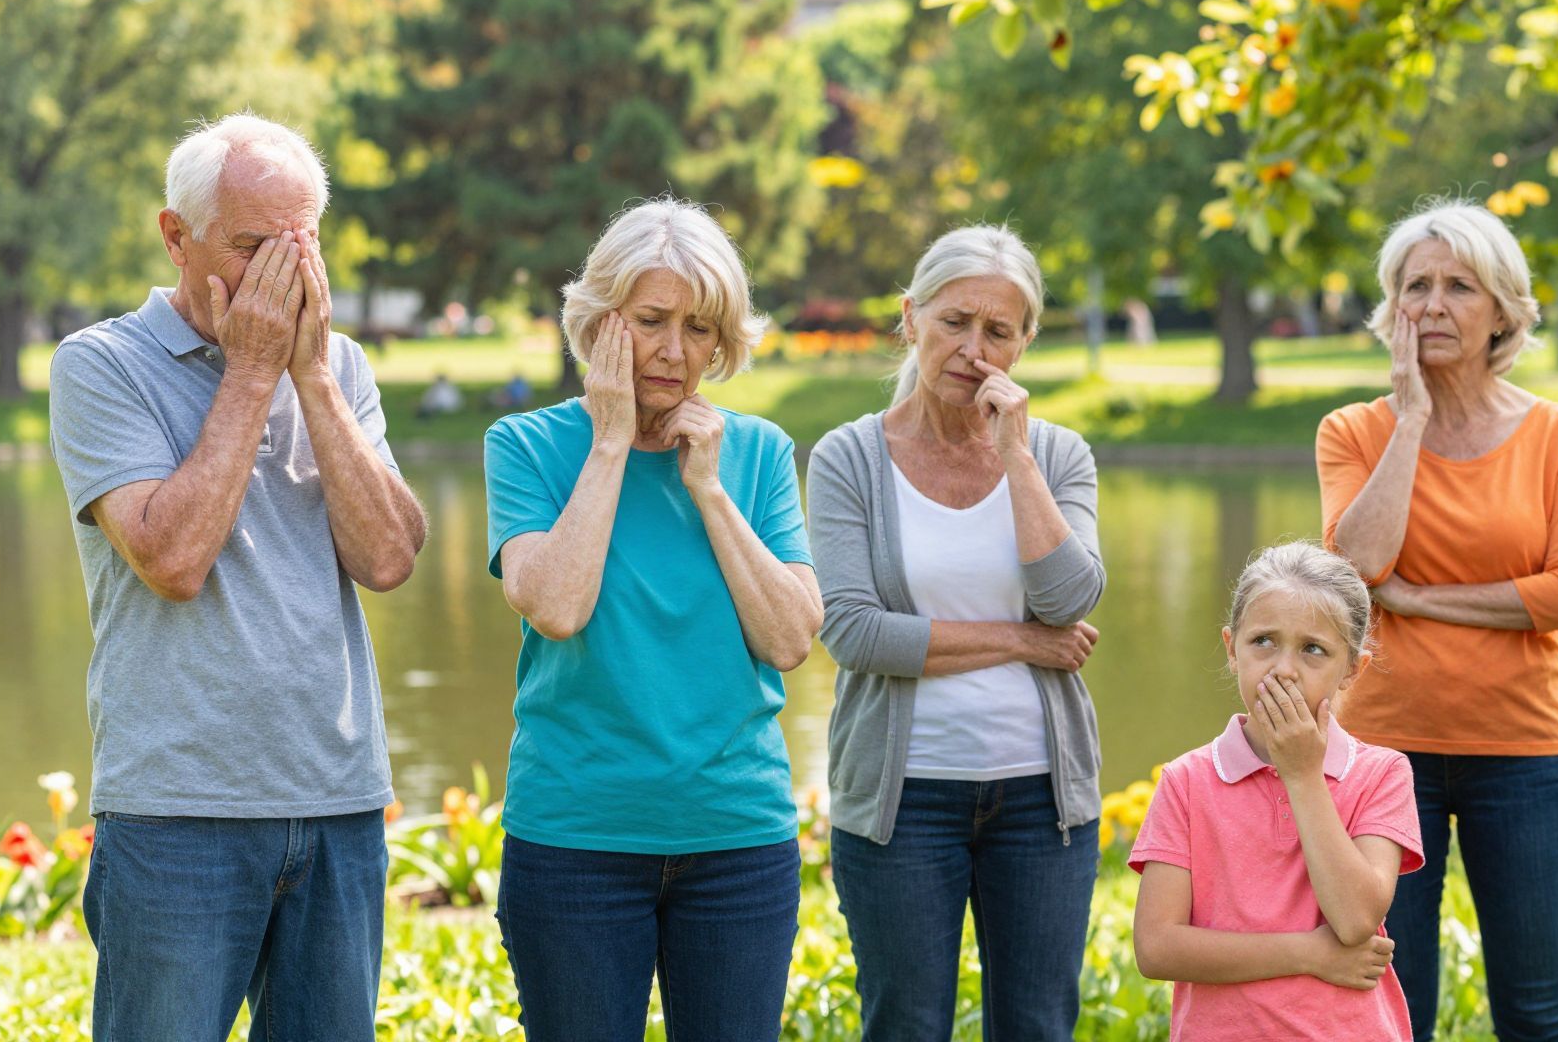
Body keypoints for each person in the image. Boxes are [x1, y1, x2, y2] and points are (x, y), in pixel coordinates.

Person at [47, 113, 427, 1041]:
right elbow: (172, 562)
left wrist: (314, 380)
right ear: (177, 237)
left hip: (337, 804)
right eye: (255, 249)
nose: (283, 279)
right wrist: (255, 369)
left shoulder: (339, 367)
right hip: (178, 815)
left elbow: (388, 558)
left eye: (302, 249)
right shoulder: (101, 366)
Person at [485, 196, 822, 1042]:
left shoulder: (757, 453)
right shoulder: (526, 446)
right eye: (651, 320)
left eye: (701, 327)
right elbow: (557, 607)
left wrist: (708, 488)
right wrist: (610, 440)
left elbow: (790, 638)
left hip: (737, 842)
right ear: (601, 324)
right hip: (575, 843)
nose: (676, 351)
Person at [807, 223, 1105, 1042]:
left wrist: (1016, 458)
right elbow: (856, 633)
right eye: (953, 322)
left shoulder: (1058, 454)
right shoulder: (847, 459)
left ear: (1023, 343)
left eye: (997, 332)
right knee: (905, 1025)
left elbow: (1072, 595)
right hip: (904, 805)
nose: (973, 349)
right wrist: (1020, 642)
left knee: (1040, 1026)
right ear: (911, 318)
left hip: (1043, 803)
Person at [1316, 199, 1558, 1041]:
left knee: (1538, 1011)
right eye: (1416, 287)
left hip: (1525, 755)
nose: (1433, 305)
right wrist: (1411, 419)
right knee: (1393, 1012)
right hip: (1382, 757)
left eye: (1458, 286)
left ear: (1502, 311)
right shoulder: (1354, 430)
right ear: (1390, 308)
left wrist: (1416, 601)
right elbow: (1357, 570)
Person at [1129, 541, 1423, 1040]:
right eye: (1263, 641)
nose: (1283, 668)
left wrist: (1303, 774)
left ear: (1353, 669)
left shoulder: (1381, 774)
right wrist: (1310, 954)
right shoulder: (1186, 781)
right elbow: (1157, 948)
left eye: (1313, 649)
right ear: (1231, 647)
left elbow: (1354, 921)